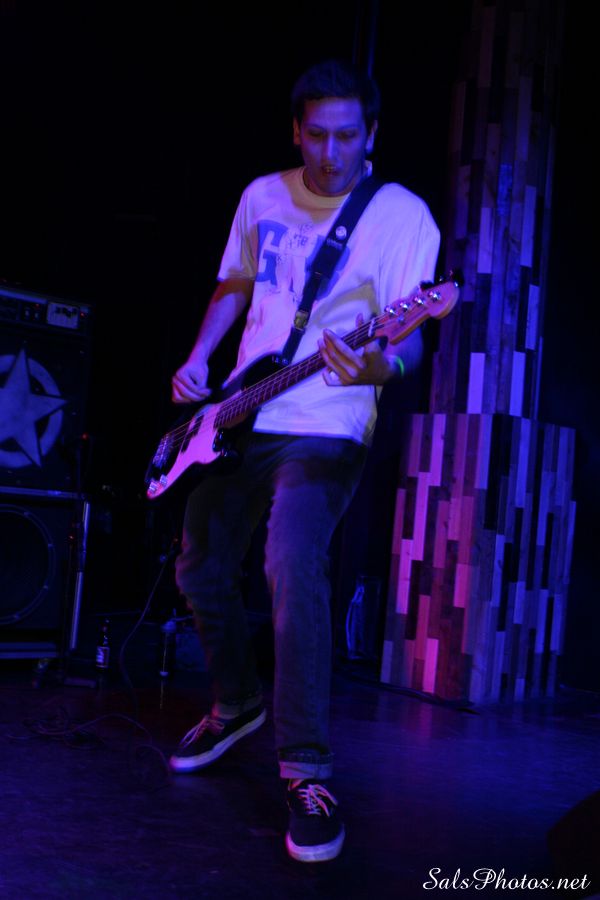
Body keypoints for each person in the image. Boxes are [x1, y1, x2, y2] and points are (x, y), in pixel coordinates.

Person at [168, 59, 440, 863]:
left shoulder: (401, 217)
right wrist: (200, 359)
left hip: (328, 421)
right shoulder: (262, 195)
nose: (331, 153)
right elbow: (235, 283)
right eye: (317, 135)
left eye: (347, 136)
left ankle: (306, 770)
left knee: (291, 563)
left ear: (372, 134)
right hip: (240, 410)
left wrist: (377, 365)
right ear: (296, 131)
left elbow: (412, 340)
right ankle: (237, 704)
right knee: (198, 565)